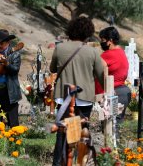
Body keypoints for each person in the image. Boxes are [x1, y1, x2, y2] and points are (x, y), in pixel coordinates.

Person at [50, 17, 104, 165]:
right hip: (84, 97)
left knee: (62, 132)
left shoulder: (60, 48)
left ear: (70, 30)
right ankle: (79, 161)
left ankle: (59, 162)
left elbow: (52, 69)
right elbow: (102, 76)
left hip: (64, 96)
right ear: (88, 32)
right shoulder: (92, 51)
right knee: (82, 133)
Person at [95, 27, 130, 121]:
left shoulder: (108, 55)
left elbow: (96, 71)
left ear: (110, 41)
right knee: (116, 124)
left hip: (112, 94)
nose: (101, 43)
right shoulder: (121, 52)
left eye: (103, 40)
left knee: (109, 126)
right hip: (124, 92)